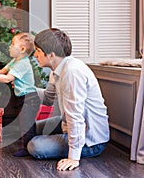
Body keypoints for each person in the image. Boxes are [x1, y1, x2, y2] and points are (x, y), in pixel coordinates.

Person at [27, 28, 110, 171]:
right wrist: (26, 88)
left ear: (51, 55)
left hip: (90, 139)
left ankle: (74, 148)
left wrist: (73, 157)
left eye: (38, 51)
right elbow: (48, 98)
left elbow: (75, 117)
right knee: (33, 127)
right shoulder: (57, 69)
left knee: (34, 146)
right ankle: (62, 139)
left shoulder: (72, 72)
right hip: (68, 123)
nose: (35, 55)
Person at [0, 32, 40, 157]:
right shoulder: (15, 60)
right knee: (25, 122)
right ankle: (30, 144)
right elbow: (2, 72)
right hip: (21, 97)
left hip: (29, 98)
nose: (9, 46)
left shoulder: (23, 63)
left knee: (26, 124)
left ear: (22, 49)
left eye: (12, 44)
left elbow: (7, 79)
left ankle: (28, 148)